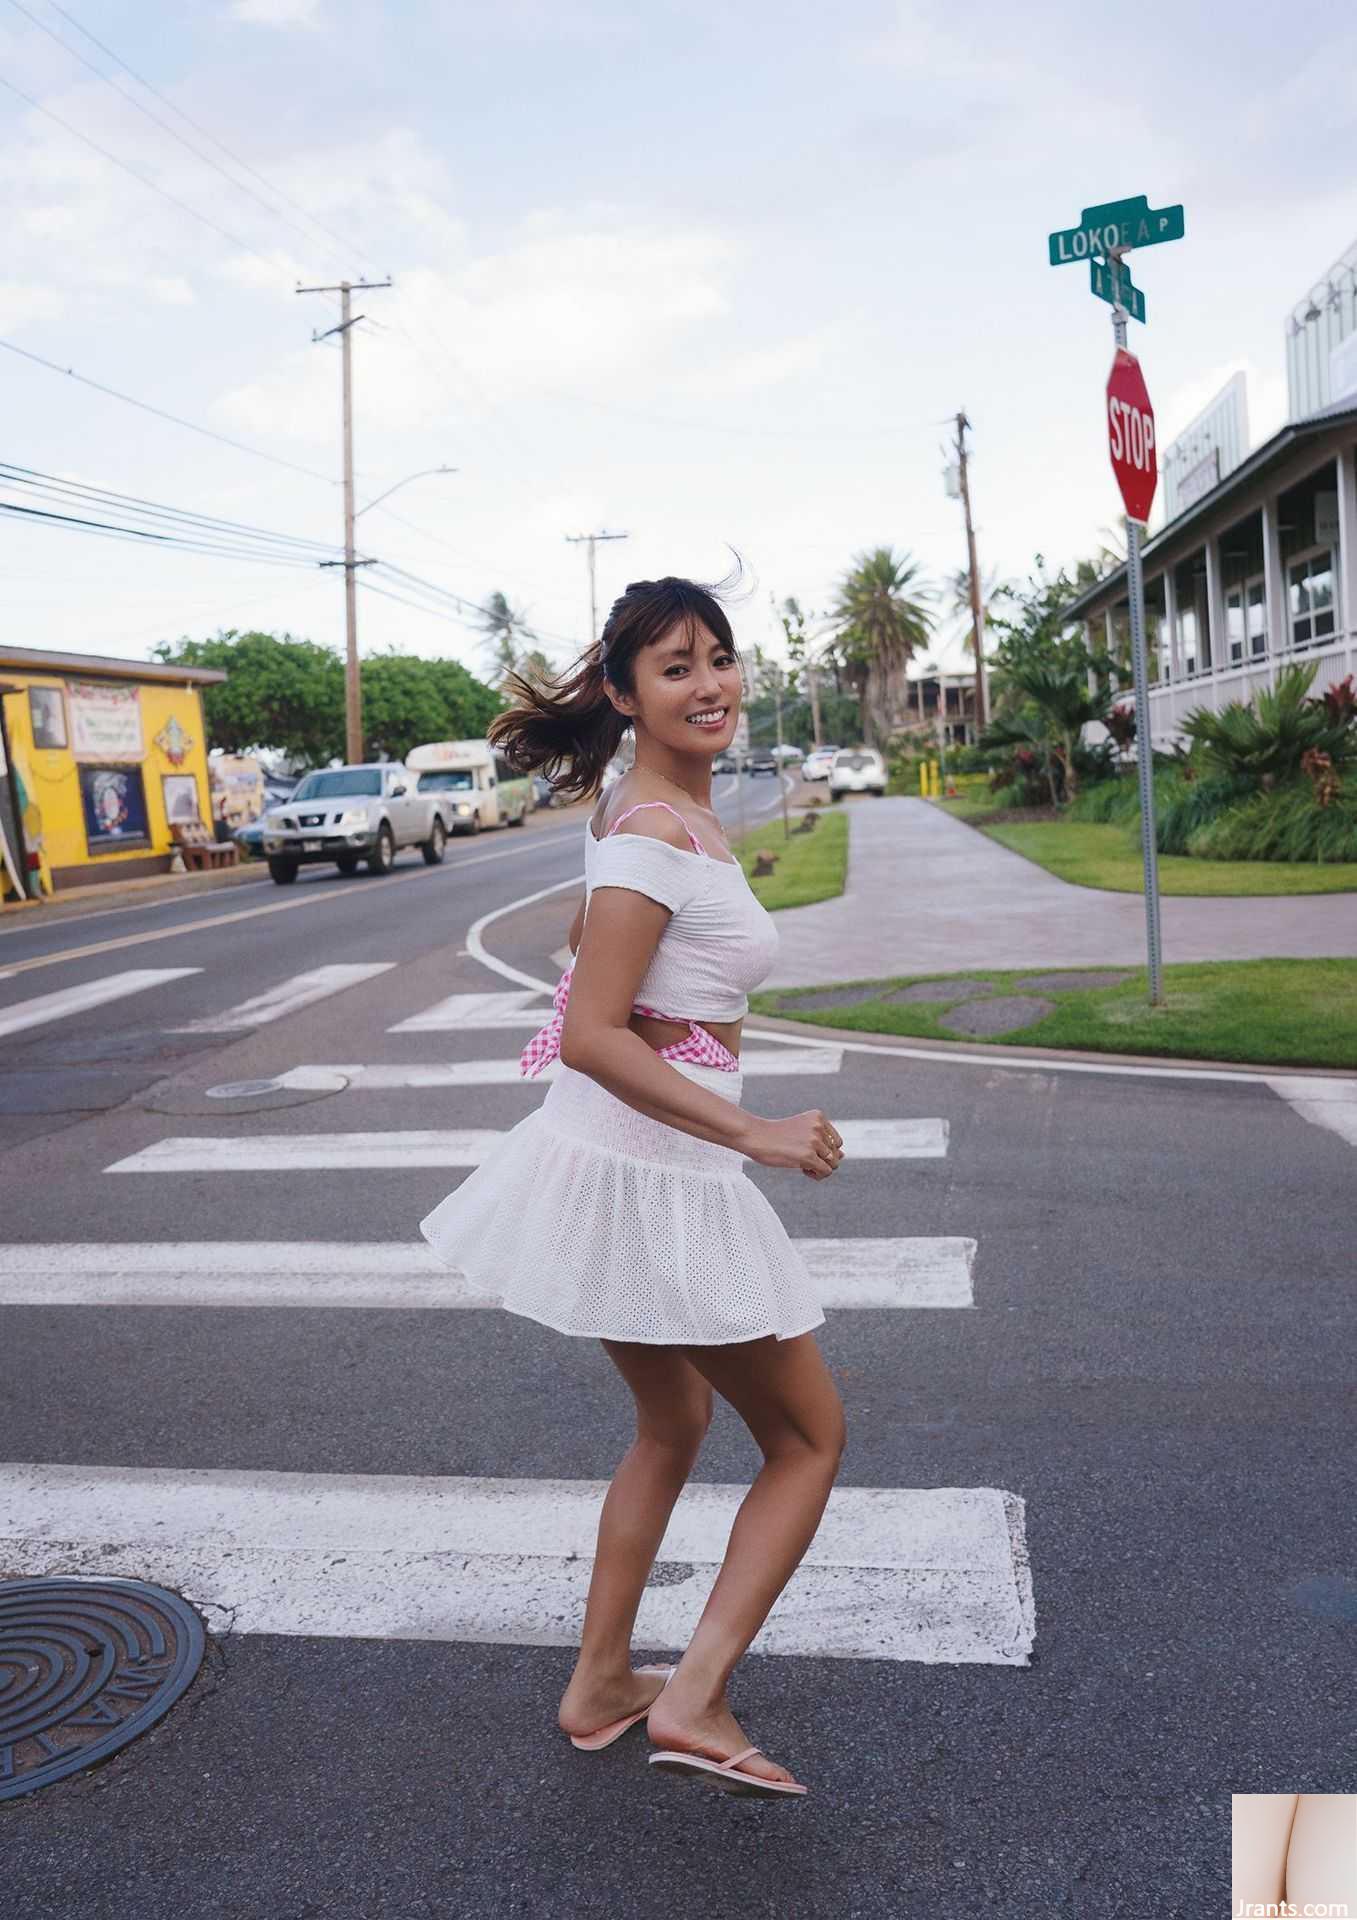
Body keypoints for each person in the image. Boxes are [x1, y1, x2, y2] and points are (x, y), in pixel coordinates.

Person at [418, 569, 846, 1799]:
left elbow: (594, 981)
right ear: (625, 692)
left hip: (612, 1158)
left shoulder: (642, 810)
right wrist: (754, 1131)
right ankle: (694, 1699)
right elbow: (596, 1024)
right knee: (809, 1437)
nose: (709, 683)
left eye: (718, 656)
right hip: (654, 1172)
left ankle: (604, 1684)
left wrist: (673, 1038)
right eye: (674, 667)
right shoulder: (657, 831)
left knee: (674, 1422)